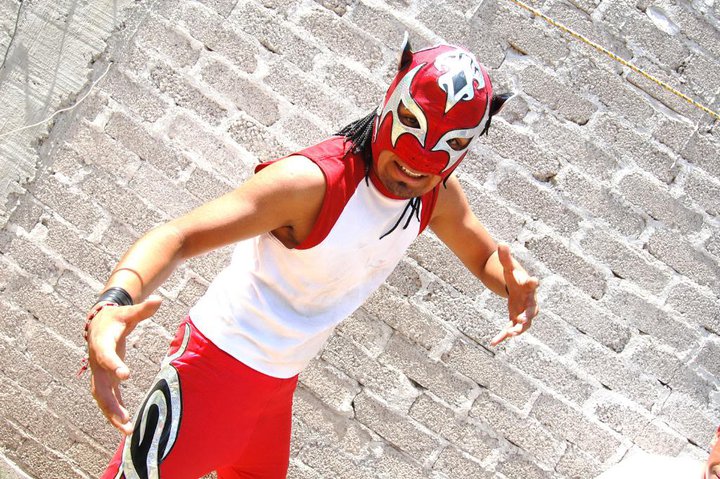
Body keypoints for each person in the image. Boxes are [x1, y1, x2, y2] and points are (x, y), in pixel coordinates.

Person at [84, 36, 540, 479]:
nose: (413, 167)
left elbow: (483, 256)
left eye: (444, 150)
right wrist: (112, 303)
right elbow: (179, 237)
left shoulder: (435, 194)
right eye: (409, 126)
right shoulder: (312, 183)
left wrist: (512, 284)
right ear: (390, 103)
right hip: (214, 370)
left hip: (276, 385)